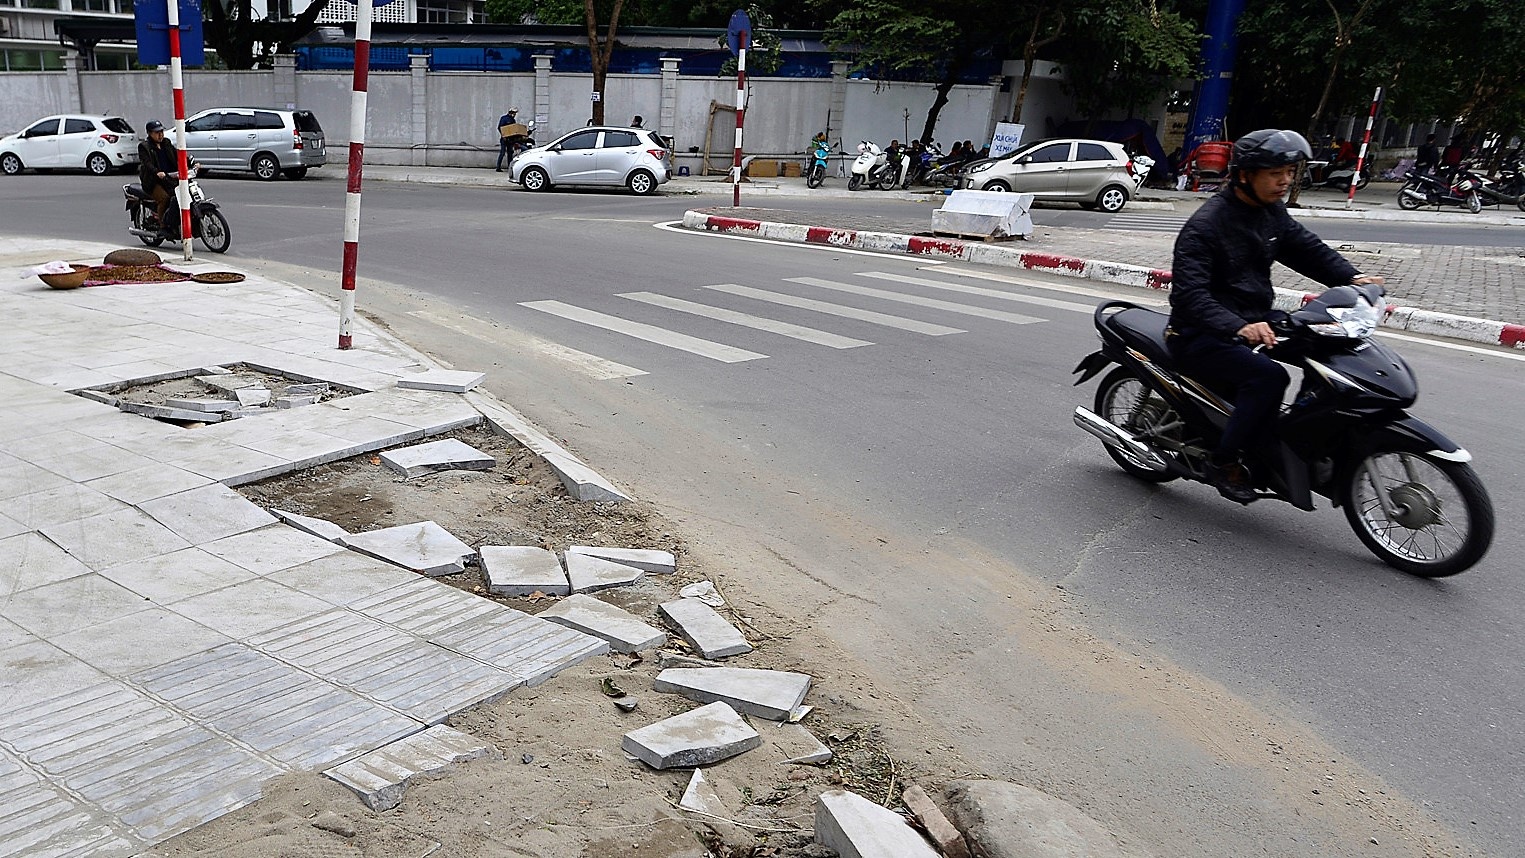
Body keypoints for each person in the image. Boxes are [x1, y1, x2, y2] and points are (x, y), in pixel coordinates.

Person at [1166, 128, 1384, 503]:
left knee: (1323, 352)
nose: (1285, 180)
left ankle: (1290, 441)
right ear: (1245, 175)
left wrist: (1350, 276)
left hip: (1257, 319)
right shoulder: (1205, 227)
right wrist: (1238, 325)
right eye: (1274, 173)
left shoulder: (1270, 212)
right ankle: (1225, 460)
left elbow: (1306, 249)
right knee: (1269, 377)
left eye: (1289, 171)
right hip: (1200, 332)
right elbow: (1190, 296)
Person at [137, 120, 181, 232]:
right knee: (164, 198)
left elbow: (178, 156)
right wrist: (157, 172)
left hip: (169, 178)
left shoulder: (166, 143)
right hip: (153, 181)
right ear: (149, 133)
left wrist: (191, 163)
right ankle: (163, 226)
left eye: (161, 131)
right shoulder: (144, 146)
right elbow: (147, 163)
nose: (160, 135)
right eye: (157, 132)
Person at [495, 107, 519, 172]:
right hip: (504, 139)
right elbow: (500, 128)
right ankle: (498, 167)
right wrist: (503, 135)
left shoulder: (513, 120)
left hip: (511, 139)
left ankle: (510, 167)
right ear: (510, 112)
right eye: (514, 113)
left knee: (510, 153)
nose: (515, 115)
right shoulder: (504, 118)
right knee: (502, 153)